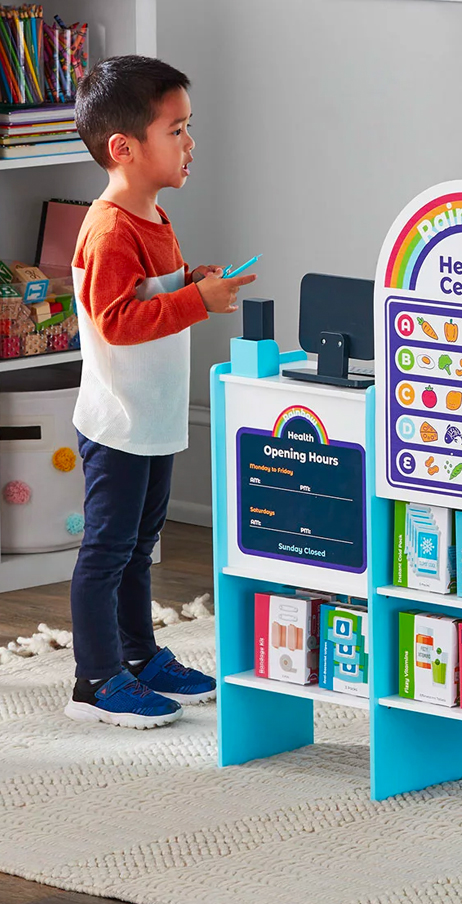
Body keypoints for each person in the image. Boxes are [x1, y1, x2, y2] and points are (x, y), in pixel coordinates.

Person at [63, 55, 255, 729]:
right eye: (176, 129)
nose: (189, 143)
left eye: (187, 127)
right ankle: (95, 678)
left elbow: (146, 297)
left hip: (152, 417)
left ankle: (139, 656)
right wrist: (196, 303)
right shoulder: (112, 227)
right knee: (108, 552)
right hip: (119, 423)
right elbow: (116, 322)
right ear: (125, 148)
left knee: (140, 547)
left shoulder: (152, 218)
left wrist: (187, 284)